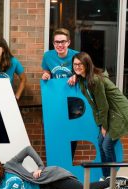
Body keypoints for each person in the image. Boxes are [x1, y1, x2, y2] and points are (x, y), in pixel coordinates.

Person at [0, 145, 117, 189]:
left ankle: (112, 181)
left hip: (50, 180)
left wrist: (40, 166)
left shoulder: (10, 165)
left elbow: (28, 149)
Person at [72, 52, 128, 179]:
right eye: (75, 64)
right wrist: (100, 124)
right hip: (109, 113)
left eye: (80, 64)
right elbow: (95, 106)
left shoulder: (95, 79)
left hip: (119, 112)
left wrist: (104, 126)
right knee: (100, 143)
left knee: (107, 145)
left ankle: (113, 179)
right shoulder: (83, 80)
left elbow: (103, 105)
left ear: (87, 65)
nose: (77, 66)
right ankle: (106, 178)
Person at [41, 28, 79, 160]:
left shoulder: (77, 56)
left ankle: (69, 161)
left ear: (69, 42)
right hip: (56, 101)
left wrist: (77, 76)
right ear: (53, 43)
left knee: (72, 133)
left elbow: (85, 74)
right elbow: (47, 71)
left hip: (73, 102)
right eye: (57, 42)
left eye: (63, 41)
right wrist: (46, 74)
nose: (60, 45)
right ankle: (58, 162)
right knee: (57, 132)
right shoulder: (48, 56)